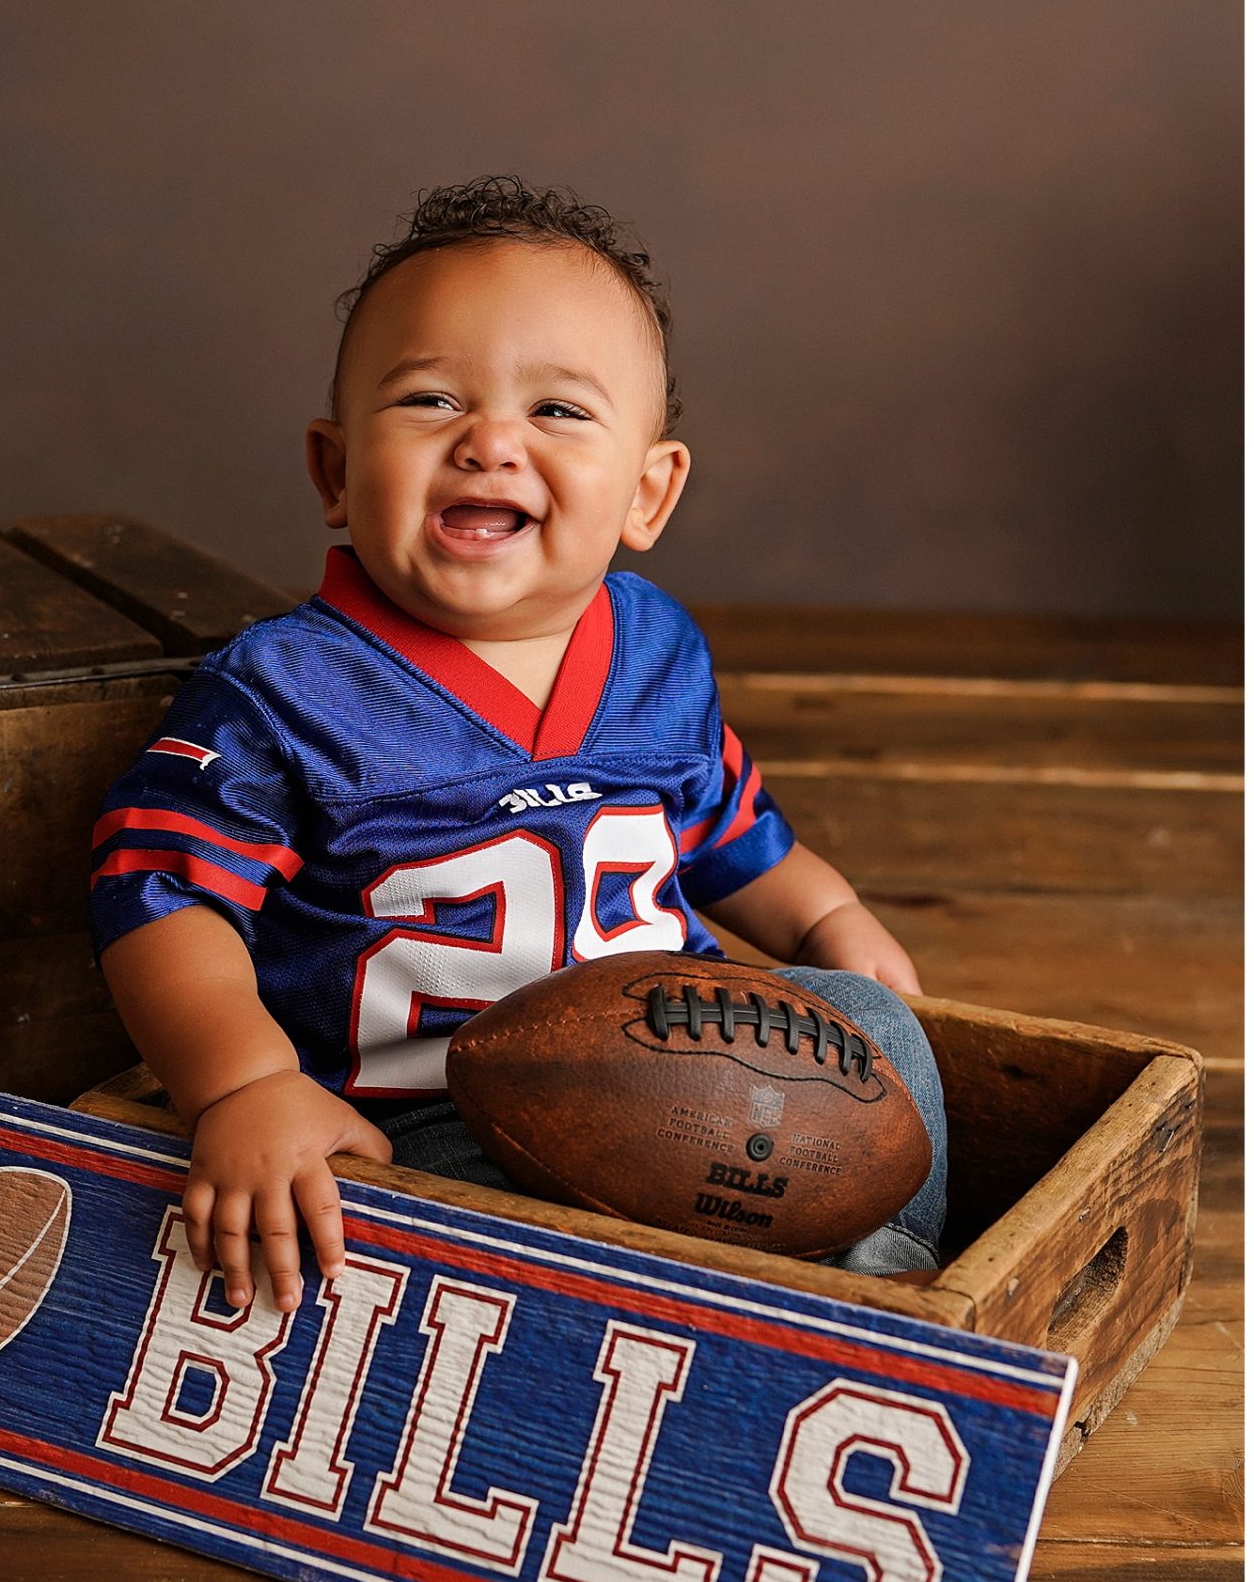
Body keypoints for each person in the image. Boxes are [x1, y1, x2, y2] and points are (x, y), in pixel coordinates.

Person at [93, 176, 947, 1313]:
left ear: (647, 492)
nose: (490, 442)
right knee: (395, 1206)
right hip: (444, 1109)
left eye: (558, 411)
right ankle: (714, 1296)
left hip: (697, 1059)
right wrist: (240, 1085)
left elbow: (724, 818)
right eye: (432, 400)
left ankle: (892, 1284)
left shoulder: (652, 647)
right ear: (336, 473)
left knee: (880, 1029)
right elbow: (163, 893)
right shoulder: (287, 690)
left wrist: (825, 918)